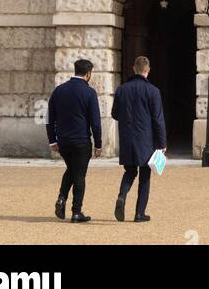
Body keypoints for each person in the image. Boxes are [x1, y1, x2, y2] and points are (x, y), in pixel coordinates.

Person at [112, 55, 167, 223]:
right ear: (147, 70)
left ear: (133, 69)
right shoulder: (153, 91)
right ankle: (139, 213)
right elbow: (158, 119)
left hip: (128, 136)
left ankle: (122, 196)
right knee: (145, 175)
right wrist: (162, 142)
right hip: (146, 139)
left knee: (129, 171)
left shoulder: (122, 89)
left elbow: (115, 113)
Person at [46, 57, 101, 224]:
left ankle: (62, 198)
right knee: (79, 174)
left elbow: (49, 118)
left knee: (71, 169)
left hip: (63, 141)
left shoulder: (59, 90)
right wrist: (98, 144)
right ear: (88, 74)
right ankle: (76, 211)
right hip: (81, 141)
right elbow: (95, 121)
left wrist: (52, 140)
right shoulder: (89, 92)